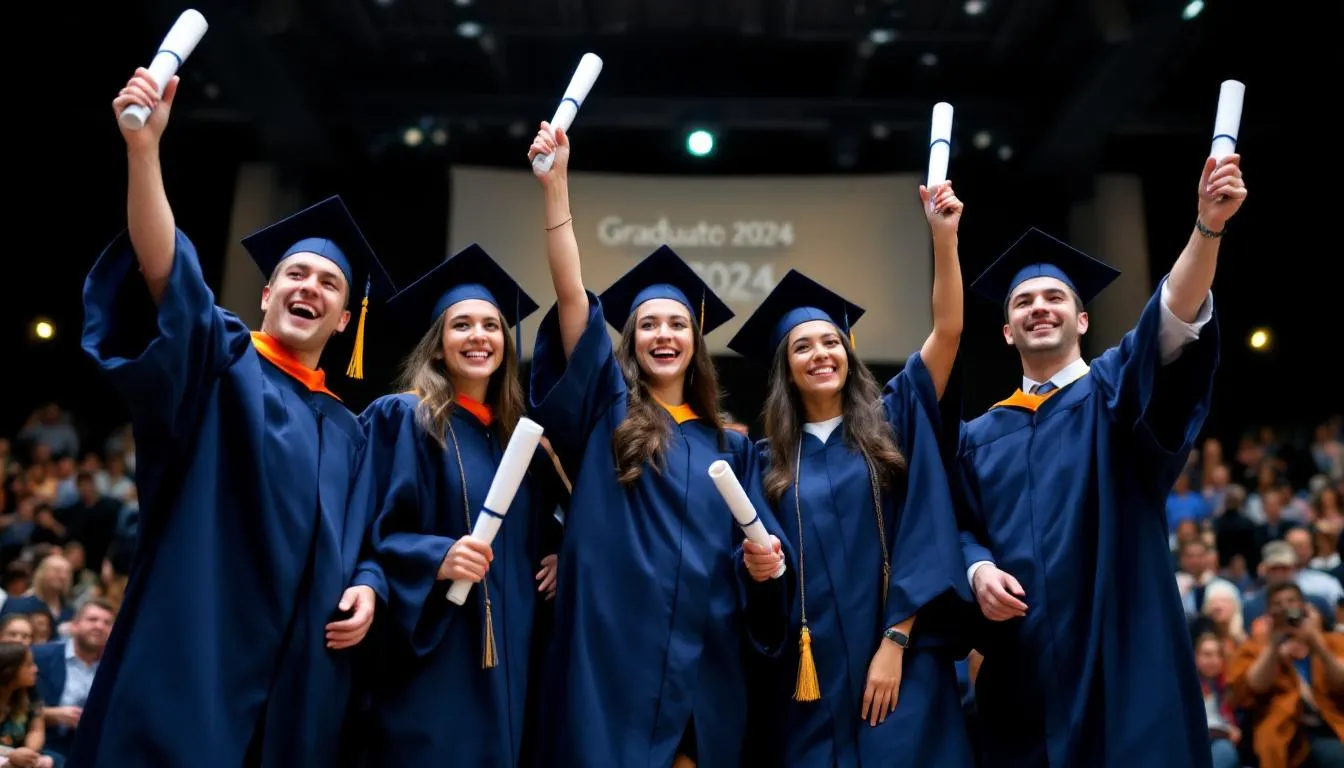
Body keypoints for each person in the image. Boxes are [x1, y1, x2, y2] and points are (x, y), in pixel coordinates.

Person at [74, 68, 393, 766]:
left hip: (298, 678)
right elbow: (168, 277)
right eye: (298, 274)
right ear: (270, 288)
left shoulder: (349, 428)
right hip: (199, 641)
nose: (311, 286)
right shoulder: (222, 363)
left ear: (345, 321)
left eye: (330, 284)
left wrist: (368, 585)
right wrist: (144, 152)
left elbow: (369, 536)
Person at [954, 153, 1247, 766]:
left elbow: (1170, 321)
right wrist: (978, 570)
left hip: (1121, 650)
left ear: (1082, 319)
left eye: (1055, 297)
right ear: (1007, 330)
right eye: (1023, 301)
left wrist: (1207, 228)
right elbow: (957, 528)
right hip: (1023, 670)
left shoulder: (1113, 395)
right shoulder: (978, 437)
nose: (1039, 307)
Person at [526, 123, 790, 768]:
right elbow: (569, 296)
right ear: (631, 339)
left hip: (702, 643)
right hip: (611, 639)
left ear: (697, 341)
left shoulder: (730, 444)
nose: (664, 334)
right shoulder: (607, 408)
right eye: (648, 324)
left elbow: (756, 547)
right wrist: (556, 185)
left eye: (677, 324)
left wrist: (765, 565)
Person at [728, 180, 975, 767]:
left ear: (849, 351)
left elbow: (949, 332)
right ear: (785, 368)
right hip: (809, 678)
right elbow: (760, 584)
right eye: (803, 347)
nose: (820, 354)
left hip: (902, 661)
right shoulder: (765, 464)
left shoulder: (893, 419)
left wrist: (944, 237)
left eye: (831, 342)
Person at [358, 244, 566, 766]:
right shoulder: (405, 419)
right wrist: (436, 555)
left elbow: (548, 531)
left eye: (492, 326)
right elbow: (364, 529)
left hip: (510, 655)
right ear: (436, 345)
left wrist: (564, 557)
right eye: (462, 325)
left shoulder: (523, 445)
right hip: (435, 650)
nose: (479, 337)